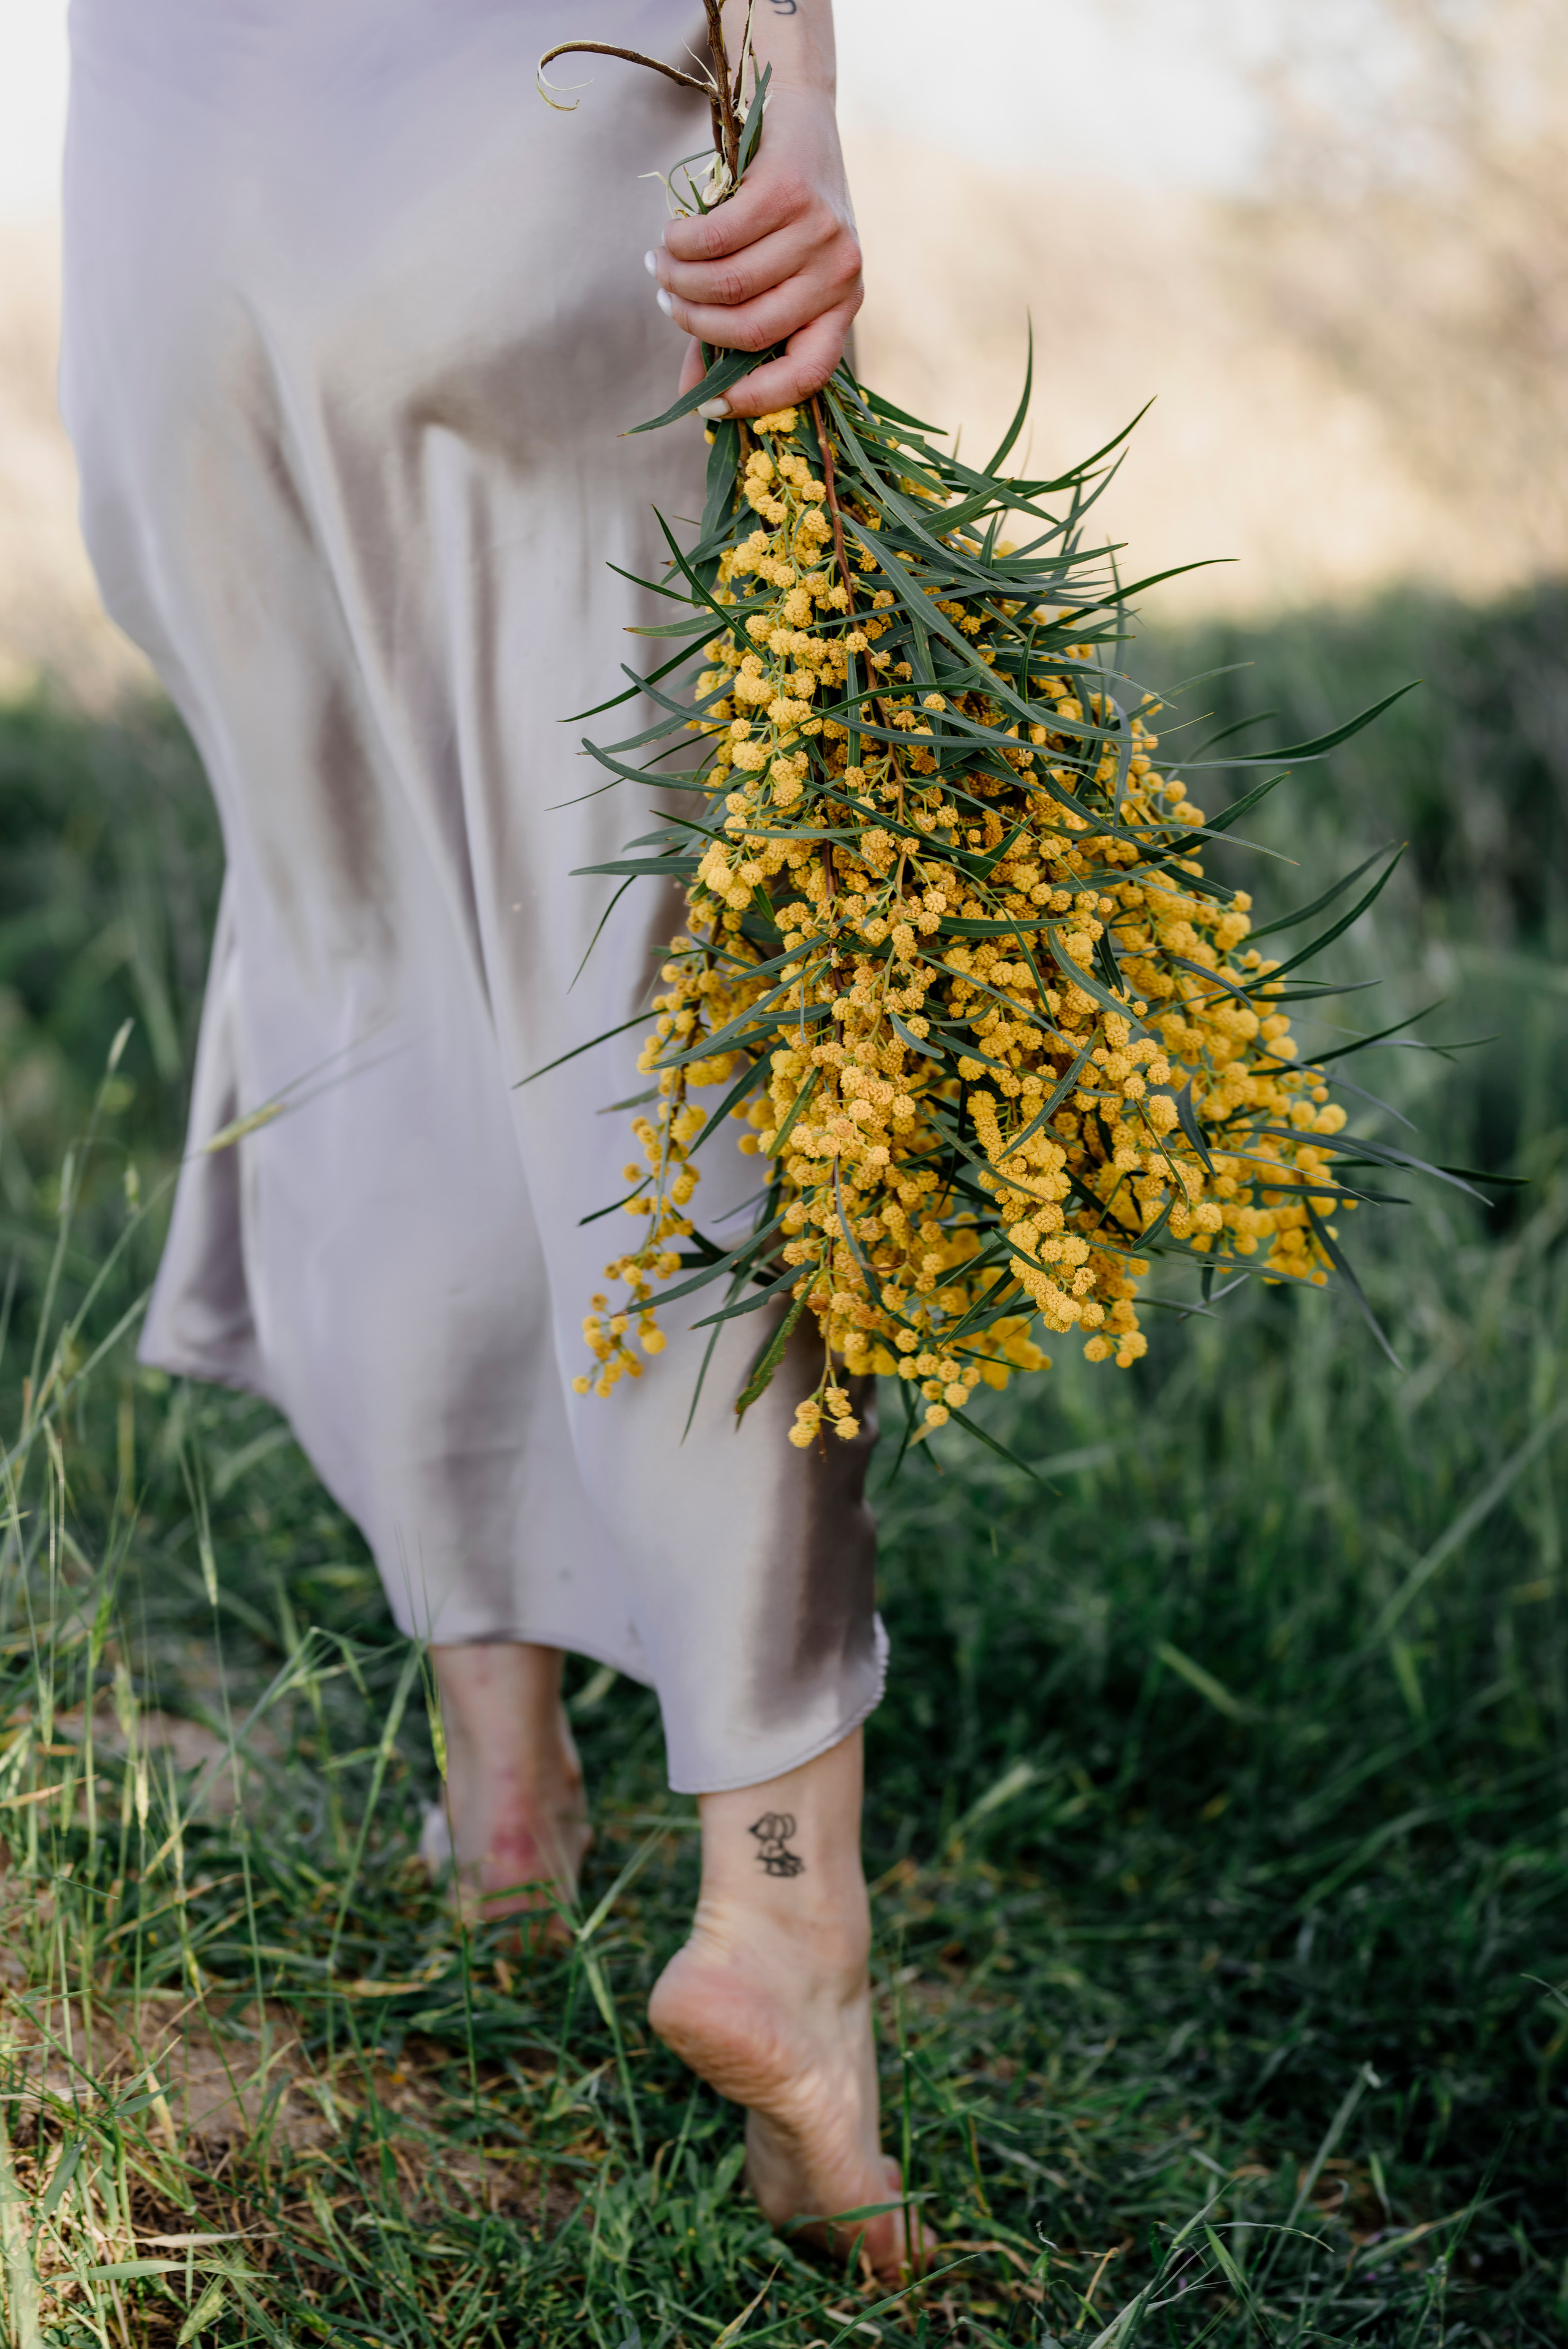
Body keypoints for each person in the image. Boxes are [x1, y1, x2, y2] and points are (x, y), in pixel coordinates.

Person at [61, 0, 922, 2282]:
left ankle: (502, 1807)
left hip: (168, 180)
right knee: (642, 965)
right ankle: (779, 1921)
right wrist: (806, 98)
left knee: (368, 927)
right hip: (504, 111)